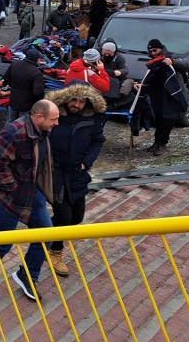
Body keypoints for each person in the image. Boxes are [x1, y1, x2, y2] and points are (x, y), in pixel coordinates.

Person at [0, 99, 59, 302]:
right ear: (39, 117)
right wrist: (13, 188)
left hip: (31, 192)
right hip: (6, 197)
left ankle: (27, 275)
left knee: (47, 234)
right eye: (54, 119)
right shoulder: (14, 132)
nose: (57, 123)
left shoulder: (44, 131)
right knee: (3, 242)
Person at [44, 84, 106, 277]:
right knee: (64, 216)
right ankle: (55, 251)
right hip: (55, 173)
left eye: (81, 101)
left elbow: (98, 140)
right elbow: (39, 136)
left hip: (77, 174)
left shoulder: (92, 119)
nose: (77, 104)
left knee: (76, 218)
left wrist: (87, 162)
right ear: (65, 98)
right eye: (73, 100)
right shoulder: (54, 116)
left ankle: (42, 233)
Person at [138, 39, 188, 156]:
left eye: (155, 50)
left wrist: (172, 62)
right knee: (159, 118)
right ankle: (157, 142)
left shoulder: (170, 56)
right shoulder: (153, 61)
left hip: (171, 94)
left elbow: (185, 64)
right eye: (151, 51)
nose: (153, 53)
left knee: (167, 119)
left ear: (160, 48)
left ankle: (162, 143)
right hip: (158, 94)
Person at [5, 48, 46, 121]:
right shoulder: (36, 73)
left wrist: (13, 87)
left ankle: (7, 132)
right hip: (26, 105)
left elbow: (6, 78)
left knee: (10, 123)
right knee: (22, 126)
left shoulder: (15, 63)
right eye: (40, 59)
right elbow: (38, 92)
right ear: (36, 59)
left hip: (13, 100)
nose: (40, 61)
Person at [100, 39, 135, 106]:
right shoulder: (100, 58)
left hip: (117, 79)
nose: (107, 56)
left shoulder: (119, 58)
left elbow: (125, 70)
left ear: (113, 52)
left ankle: (115, 104)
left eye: (109, 54)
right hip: (105, 78)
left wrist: (120, 72)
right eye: (105, 54)